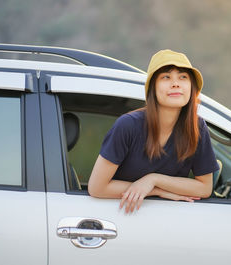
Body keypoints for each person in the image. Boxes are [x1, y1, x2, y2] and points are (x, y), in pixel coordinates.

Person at [88, 49, 219, 213]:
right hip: (121, 216)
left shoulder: (196, 127)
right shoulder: (128, 126)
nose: (175, 83)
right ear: (152, 88)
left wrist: (154, 179)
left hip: (165, 222)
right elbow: (97, 187)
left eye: (183, 77)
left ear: (191, 88)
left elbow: (205, 188)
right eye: (166, 77)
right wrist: (157, 191)